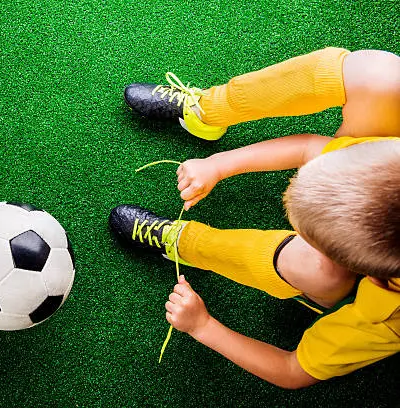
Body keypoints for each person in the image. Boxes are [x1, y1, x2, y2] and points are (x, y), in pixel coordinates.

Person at [109, 47, 400, 389]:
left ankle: (186, 243)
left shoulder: (390, 321)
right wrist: (219, 164)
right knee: (381, 75)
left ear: (379, 281)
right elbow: (308, 149)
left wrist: (203, 326)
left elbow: (293, 371)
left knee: (317, 270)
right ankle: (206, 111)